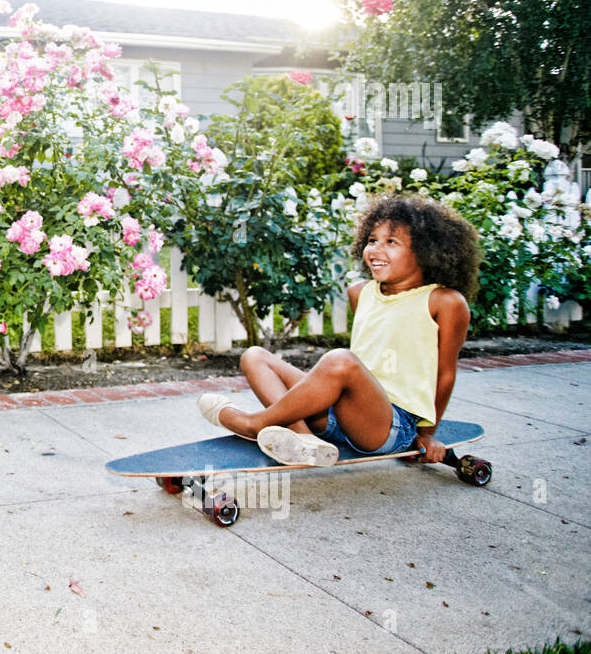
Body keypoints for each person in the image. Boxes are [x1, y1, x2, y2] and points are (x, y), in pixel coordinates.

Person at [198, 194, 481, 467]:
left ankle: (255, 423)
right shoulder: (360, 292)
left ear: (425, 251)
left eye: (390, 242)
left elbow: (445, 375)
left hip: (387, 426)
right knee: (255, 356)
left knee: (341, 361)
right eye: (372, 240)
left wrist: (427, 433)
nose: (376, 250)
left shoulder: (444, 302)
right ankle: (306, 441)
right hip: (340, 413)